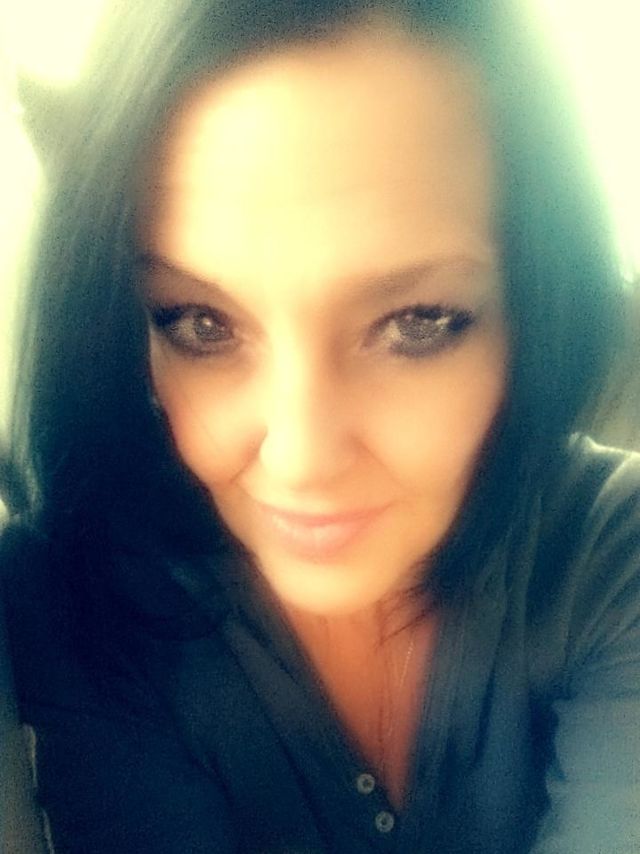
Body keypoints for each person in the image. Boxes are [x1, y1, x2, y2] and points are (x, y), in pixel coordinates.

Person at [1, 0, 639, 851]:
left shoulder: (611, 555)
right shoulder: (72, 598)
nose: (301, 457)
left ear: (535, 308)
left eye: (416, 321)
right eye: (200, 323)